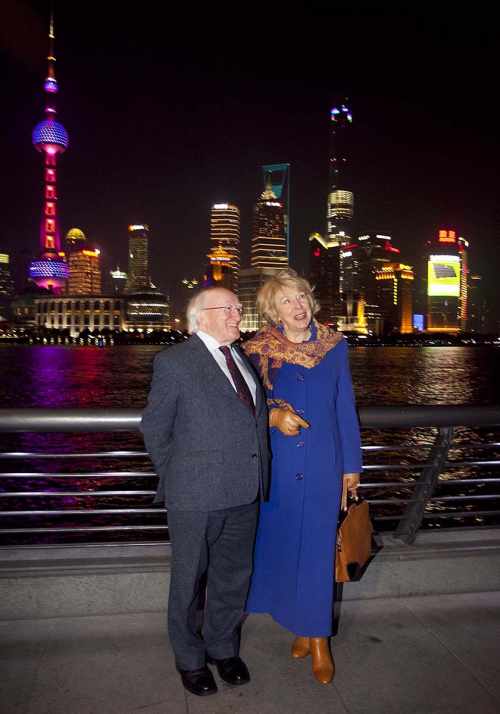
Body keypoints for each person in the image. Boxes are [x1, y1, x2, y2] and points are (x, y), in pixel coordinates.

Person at [141, 286, 269, 697]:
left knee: (234, 577)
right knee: (188, 583)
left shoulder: (241, 358)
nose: (237, 315)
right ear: (201, 316)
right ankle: (190, 659)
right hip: (194, 496)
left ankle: (223, 648)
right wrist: (177, 477)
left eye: (238, 308)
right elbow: (155, 428)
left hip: (245, 492)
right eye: (228, 308)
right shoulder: (174, 361)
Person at [243, 269, 362, 685]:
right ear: (273, 311)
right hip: (277, 468)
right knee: (285, 549)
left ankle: (319, 640)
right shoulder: (258, 350)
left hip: (324, 465)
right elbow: (245, 408)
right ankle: (301, 626)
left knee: (316, 552)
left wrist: (351, 467)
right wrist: (274, 417)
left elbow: (344, 406)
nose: (298, 306)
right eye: (287, 301)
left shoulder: (334, 346)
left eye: (301, 297)